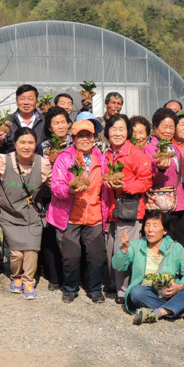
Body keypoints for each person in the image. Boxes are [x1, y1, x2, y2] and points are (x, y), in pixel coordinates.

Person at [46, 115, 109, 303]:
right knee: (71, 256)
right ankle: (70, 288)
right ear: (72, 138)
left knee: (97, 255)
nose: (85, 139)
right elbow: (56, 187)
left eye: (88, 135)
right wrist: (70, 190)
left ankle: (95, 288)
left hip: (94, 215)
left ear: (94, 137)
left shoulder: (102, 158)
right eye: (80, 135)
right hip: (70, 216)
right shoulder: (64, 158)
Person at [112, 210, 184, 325]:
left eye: (155, 225)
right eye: (147, 225)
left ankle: (158, 312)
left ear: (165, 230)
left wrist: (179, 286)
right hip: (147, 292)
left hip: (170, 293)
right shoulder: (136, 245)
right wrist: (124, 248)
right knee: (135, 292)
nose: (150, 230)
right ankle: (179, 310)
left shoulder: (176, 248)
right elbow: (118, 266)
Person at [0, 127, 51, 300]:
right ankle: (16, 276)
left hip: (33, 214)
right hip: (9, 215)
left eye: (31, 142)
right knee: (17, 253)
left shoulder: (43, 163)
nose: (26, 146)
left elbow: (55, 186)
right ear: (15, 143)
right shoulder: (3, 161)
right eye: (22, 142)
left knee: (32, 250)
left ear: (36, 144)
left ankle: (28, 281)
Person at [103, 114, 153, 305]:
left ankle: (124, 291)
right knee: (111, 251)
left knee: (123, 250)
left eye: (121, 129)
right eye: (113, 129)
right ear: (107, 132)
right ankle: (115, 285)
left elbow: (146, 182)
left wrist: (124, 185)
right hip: (111, 210)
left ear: (128, 132)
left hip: (129, 210)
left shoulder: (136, 155)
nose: (117, 133)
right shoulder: (107, 153)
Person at [143, 107, 184, 251]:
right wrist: (161, 169)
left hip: (180, 205)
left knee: (180, 245)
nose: (168, 131)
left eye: (171, 127)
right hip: (161, 207)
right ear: (155, 127)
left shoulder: (174, 148)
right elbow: (150, 178)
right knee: (163, 246)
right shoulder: (149, 149)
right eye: (165, 127)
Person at [38, 106, 72, 291]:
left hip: (71, 196)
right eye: (56, 123)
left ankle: (73, 275)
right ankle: (54, 276)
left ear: (69, 124)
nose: (60, 126)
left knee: (71, 237)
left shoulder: (75, 144)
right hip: (49, 196)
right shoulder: (44, 146)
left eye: (63, 122)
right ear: (50, 128)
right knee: (50, 236)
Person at [0, 84, 45, 160]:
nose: (26, 102)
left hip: (38, 164)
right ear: (16, 101)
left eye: (30, 99)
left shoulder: (44, 122)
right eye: (22, 99)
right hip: (12, 165)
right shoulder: (6, 122)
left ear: (36, 102)